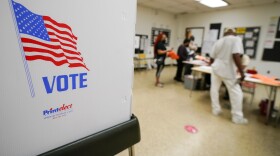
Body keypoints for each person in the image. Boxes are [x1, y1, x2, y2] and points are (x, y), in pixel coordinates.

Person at [210, 28, 248, 124]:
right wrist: (241, 72)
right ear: (234, 33)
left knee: (214, 89)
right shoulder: (236, 39)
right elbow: (236, 55)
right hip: (228, 71)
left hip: (216, 69)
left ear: (225, 33)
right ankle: (237, 117)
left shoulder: (218, 41)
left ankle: (216, 110)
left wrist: (213, 65)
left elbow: (211, 58)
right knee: (237, 93)